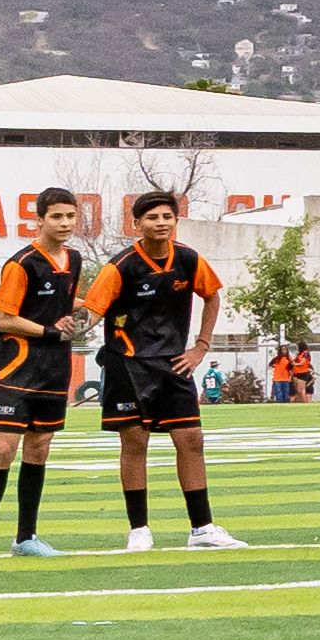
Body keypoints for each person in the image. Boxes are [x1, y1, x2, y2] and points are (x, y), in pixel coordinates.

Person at [80, 193, 248, 551]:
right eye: (153, 217)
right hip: (127, 364)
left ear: (176, 220)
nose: (161, 222)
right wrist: (73, 322)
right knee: (135, 443)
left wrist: (201, 346)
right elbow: (93, 311)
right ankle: (139, 529)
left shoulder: (188, 259)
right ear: (137, 224)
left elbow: (213, 295)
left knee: (191, 441)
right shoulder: (120, 265)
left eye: (167, 216)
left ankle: (202, 528)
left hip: (175, 364)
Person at [0, 186, 91, 558]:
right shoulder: (21, 263)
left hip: (54, 372)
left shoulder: (75, 259)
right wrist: (51, 331)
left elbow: (66, 302)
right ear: (40, 220)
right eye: (57, 216)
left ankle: (26, 537)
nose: (65, 222)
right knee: (4, 449)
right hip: (15, 370)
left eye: (70, 215)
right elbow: (6, 319)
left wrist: (98, 305)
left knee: (39, 449)